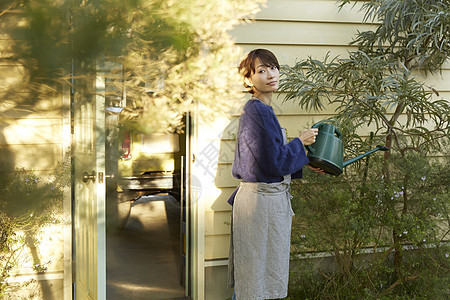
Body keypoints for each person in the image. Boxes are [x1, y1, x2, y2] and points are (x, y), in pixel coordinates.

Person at [227, 49, 320, 300]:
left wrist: (304, 159)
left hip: (262, 202)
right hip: (260, 204)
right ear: (249, 80)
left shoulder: (261, 109)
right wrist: (300, 142)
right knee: (253, 277)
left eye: (273, 68)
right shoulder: (257, 110)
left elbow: (270, 157)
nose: (270, 74)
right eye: (261, 70)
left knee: (256, 275)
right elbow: (275, 161)